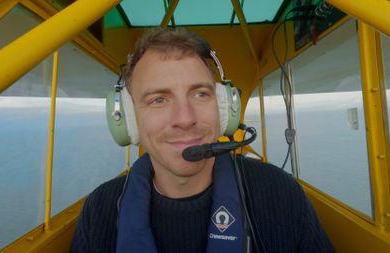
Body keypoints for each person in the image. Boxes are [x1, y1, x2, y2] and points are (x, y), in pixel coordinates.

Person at [70, 28, 334, 253]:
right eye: (158, 100)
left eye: (200, 94)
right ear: (128, 120)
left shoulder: (281, 194)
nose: (185, 119)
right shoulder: (100, 211)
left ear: (223, 110)